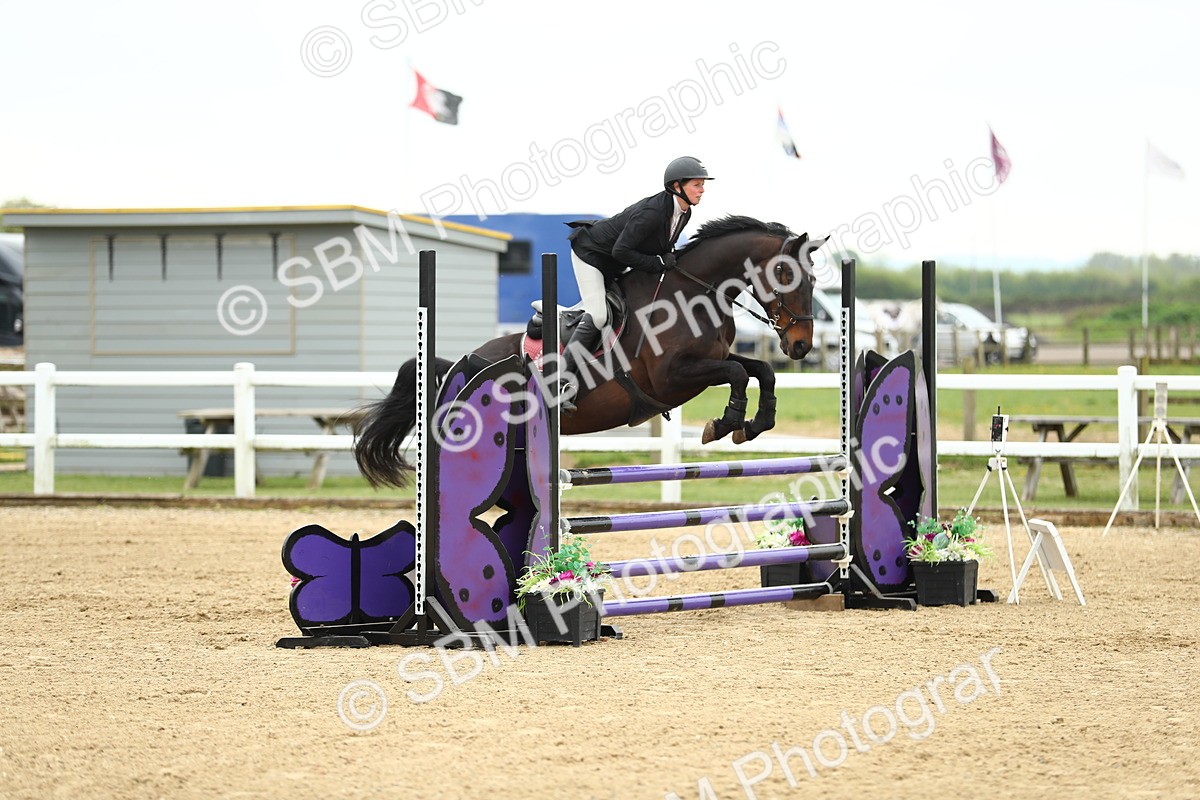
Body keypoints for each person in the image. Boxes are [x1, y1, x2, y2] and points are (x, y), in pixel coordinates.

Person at [558, 156, 713, 412]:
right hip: (592, 255)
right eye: (697, 184)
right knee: (597, 315)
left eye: (702, 185)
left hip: (616, 262)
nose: (702, 190)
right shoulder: (653, 213)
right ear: (677, 186)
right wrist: (658, 262)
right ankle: (560, 383)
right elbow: (621, 251)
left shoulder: (684, 212)